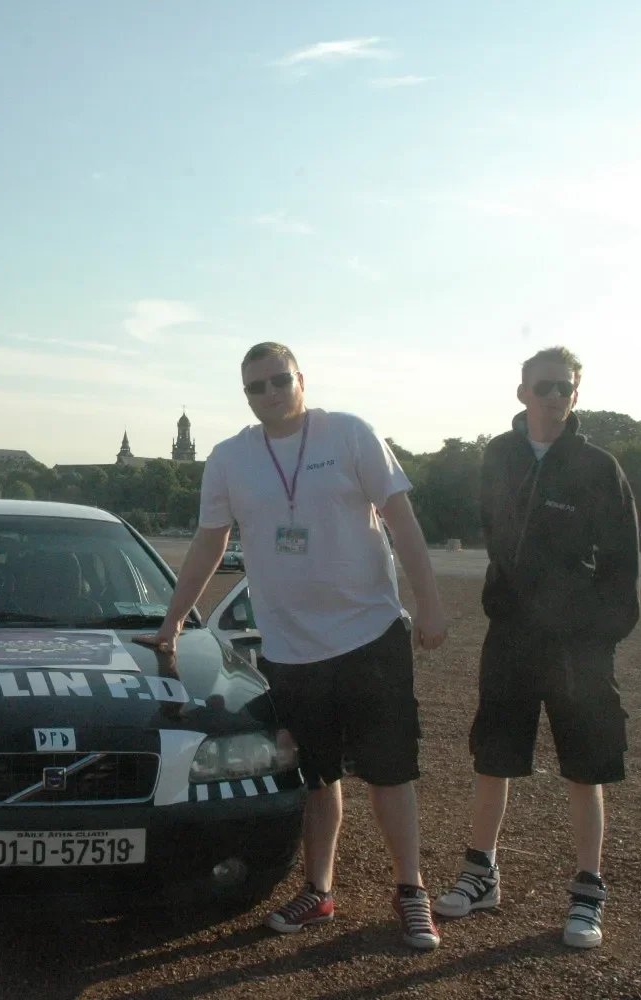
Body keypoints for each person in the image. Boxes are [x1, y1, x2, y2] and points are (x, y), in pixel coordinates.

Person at [141, 342, 448, 951]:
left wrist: (431, 602)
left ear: (301, 379)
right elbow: (208, 543)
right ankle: (319, 888)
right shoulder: (231, 458)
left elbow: (402, 520)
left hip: (369, 633)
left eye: (279, 381)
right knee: (314, 775)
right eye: (256, 387)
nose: (270, 394)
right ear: (245, 395)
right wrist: (173, 622)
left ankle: (412, 892)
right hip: (289, 646)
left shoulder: (350, 434)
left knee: (389, 774)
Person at [433, 346, 638, 949]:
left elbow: (622, 563)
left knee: (585, 764)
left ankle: (587, 891)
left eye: (564, 388)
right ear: (522, 393)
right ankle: (481, 873)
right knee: (493, 755)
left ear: (577, 394)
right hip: (512, 634)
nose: (554, 397)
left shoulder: (600, 467)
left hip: (577, 644)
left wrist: (599, 632)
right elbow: (493, 531)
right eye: (543, 386)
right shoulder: (498, 456)